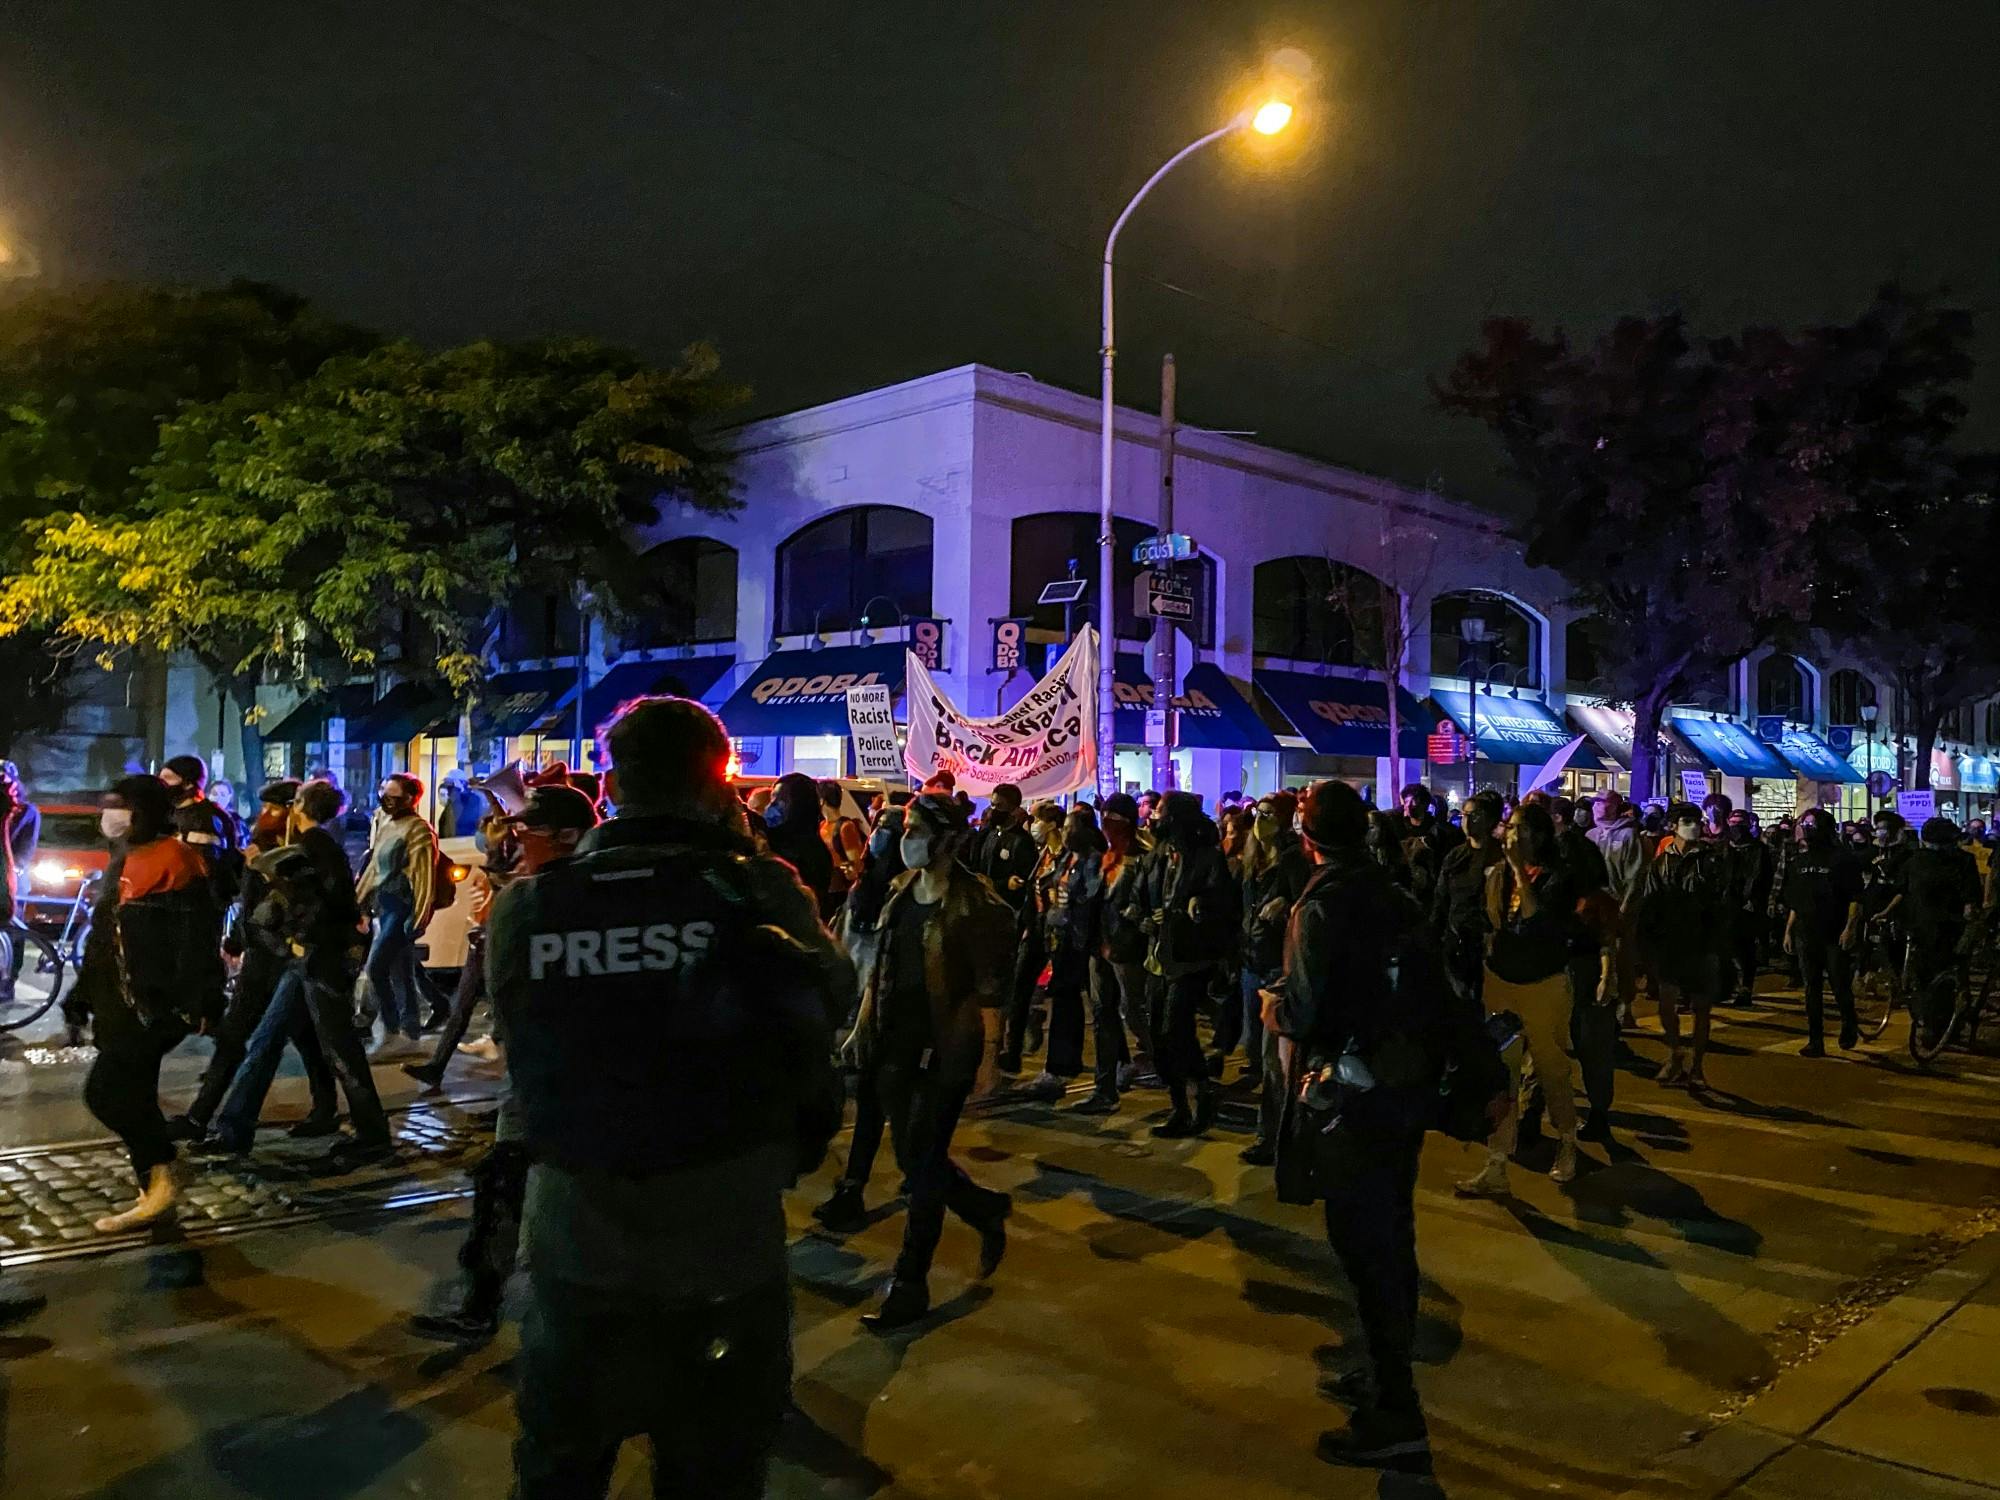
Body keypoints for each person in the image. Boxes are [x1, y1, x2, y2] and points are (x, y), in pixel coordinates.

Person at [493, 696, 851, 1496]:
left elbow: (524, 1051)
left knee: (558, 1471)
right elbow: (833, 1000)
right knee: (714, 1474)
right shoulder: (757, 890)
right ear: (716, 785)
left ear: (612, 786)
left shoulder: (534, 905)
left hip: (576, 1239)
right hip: (722, 1238)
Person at [1264, 779, 1438, 1472]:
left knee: (1363, 1246)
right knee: (1392, 1236)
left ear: (1308, 841)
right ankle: (1383, 1369)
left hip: (1352, 1094)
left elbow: (1305, 1010)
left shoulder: (1323, 906)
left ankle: (1396, 1410)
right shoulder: (1392, 894)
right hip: (1400, 1088)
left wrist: (1274, 1011)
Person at [411, 783, 600, 1343]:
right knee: (507, 1182)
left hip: (557, 1069)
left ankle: (498, 1304)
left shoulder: (545, 897)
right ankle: (486, 1298)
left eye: (528, 832)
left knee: (519, 1184)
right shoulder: (553, 888)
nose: (518, 841)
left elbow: (509, 984)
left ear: (566, 836)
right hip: (553, 1067)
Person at [843, 792, 1014, 1330]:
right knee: (916, 1157)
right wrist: (860, 1026)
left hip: (948, 1046)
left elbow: (991, 992)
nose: (905, 837)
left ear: (946, 839)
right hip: (895, 1041)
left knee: (923, 1165)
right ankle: (984, 1209)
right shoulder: (900, 892)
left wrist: (989, 1056)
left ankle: (910, 1283)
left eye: (916, 828)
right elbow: (881, 967)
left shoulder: (977, 905)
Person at [208, 778, 395, 1164]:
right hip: (307, 960)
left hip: (317, 961)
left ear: (301, 807)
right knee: (267, 1039)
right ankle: (233, 1127)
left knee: (339, 1049)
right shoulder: (318, 846)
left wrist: (300, 932)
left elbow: (334, 903)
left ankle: (373, 1134)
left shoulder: (314, 848)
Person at [73, 775, 225, 1233]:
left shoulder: (177, 860)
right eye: (108, 804)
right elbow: (104, 936)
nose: (111, 814)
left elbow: (197, 939)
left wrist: (200, 998)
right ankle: (155, 1194)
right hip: (116, 1002)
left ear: (146, 810)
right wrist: (80, 995)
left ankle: (164, 1168)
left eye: (121, 805)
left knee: (105, 1093)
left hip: (154, 1006)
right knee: (135, 1095)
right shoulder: (122, 857)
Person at [168, 779, 338, 1144]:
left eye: (274, 808)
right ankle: (201, 1116)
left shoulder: (298, 852)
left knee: (293, 1039)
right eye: (263, 808)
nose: (265, 815)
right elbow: (249, 904)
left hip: (284, 958)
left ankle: (318, 1111)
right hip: (261, 956)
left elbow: (294, 907)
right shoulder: (258, 848)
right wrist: (237, 938)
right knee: (239, 1037)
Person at [1456, 802, 1583, 1195]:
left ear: (1540, 836)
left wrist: (1517, 872)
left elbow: (1536, 920)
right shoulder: (1495, 875)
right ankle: (1496, 1163)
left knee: (1550, 1068)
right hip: (1502, 983)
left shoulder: (1556, 878)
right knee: (1501, 1072)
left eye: (1521, 829)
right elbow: (1492, 922)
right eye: (1509, 827)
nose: (1512, 836)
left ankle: (1567, 1143)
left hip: (1543, 986)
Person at [813, 803, 907, 1232]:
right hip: (862, 1015)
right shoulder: (863, 890)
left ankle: (959, 1195)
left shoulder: (909, 893)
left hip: (896, 1017)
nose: (881, 839)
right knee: (877, 1107)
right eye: (879, 830)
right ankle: (855, 1188)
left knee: (894, 1112)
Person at [1129, 791, 1237, 1137]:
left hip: (1189, 959)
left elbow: (1221, 904)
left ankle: (1200, 1094)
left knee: (1175, 1029)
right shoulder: (1156, 856)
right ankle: (1179, 1105)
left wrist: (1193, 907)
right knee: (1158, 1036)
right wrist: (1142, 917)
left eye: (1159, 813)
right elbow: (1138, 896)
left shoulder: (1207, 858)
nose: (1153, 818)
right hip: (1157, 955)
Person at [1635, 801, 1732, 1089]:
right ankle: (1675, 1053)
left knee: (1701, 1008)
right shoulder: (1661, 862)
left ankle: (1697, 1066)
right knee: (1666, 1005)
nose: (1693, 825)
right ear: (1673, 827)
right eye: (1685, 820)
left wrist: (1718, 942)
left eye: (1695, 820)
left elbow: (1724, 900)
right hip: (1670, 943)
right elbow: (1650, 903)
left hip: (1702, 943)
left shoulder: (1713, 859)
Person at [1236, 790, 1308, 1163]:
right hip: (1251, 961)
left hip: (1276, 967)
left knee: (1272, 1061)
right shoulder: (1252, 858)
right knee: (1253, 1049)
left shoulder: (1293, 860)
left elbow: (1307, 907)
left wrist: (1287, 906)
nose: (1260, 820)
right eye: (1257, 813)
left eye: (1268, 814)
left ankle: (1273, 1139)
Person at [1021, 806, 1106, 1101]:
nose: (1065, 833)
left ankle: (1061, 1067)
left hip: (1078, 943)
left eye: (1070, 828)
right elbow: (1050, 884)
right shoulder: (1067, 858)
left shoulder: (1093, 861)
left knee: (1078, 1004)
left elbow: (1089, 901)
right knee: (1067, 1001)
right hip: (1059, 937)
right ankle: (1067, 1064)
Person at [354, 772, 439, 1058]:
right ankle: (407, 1032)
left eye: (394, 796)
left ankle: (393, 1031)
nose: (387, 800)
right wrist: (359, 902)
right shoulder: (385, 821)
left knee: (377, 967)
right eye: (384, 794)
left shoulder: (418, 830)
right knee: (401, 971)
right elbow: (373, 868)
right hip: (385, 903)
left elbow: (423, 876)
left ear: (410, 799)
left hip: (402, 906)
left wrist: (418, 918)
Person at [1078, 792, 1154, 1111]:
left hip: (1127, 950)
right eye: (1104, 818)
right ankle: (1104, 1089)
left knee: (1133, 1011)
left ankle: (1166, 1062)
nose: (1106, 825)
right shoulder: (1102, 858)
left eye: (1114, 819)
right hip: (1100, 948)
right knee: (1102, 1017)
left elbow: (1148, 904)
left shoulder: (1144, 860)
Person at [1887, 817, 1982, 1047]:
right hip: (1944, 927)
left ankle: (1935, 1025)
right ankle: (1942, 1024)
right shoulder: (1960, 860)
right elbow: (1971, 897)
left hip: (1929, 926)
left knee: (1929, 978)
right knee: (1943, 977)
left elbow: (1901, 890)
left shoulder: (1917, 860)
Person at [1780, 808, 1866, 1054]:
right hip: (1806, 933)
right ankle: (1815, 1040)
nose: (1807, 829)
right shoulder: (1799, 862)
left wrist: (1850, 928)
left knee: (1839, 985)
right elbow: (1796, 901)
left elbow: (1855, 897)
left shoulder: (1843, 859)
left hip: (1834, 930)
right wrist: (1789, 930)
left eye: (1812, 825)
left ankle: (1849, 1023)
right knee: (1811, 988)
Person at [997, 801, 1065, 1073]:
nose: (1032, 825)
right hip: (1036, 929)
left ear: (1050, 825)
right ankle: (1012, 1052)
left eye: (1036, 819)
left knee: (1061, 997)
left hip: (1057, 933)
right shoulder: (1043, 854)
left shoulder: (1066, 857)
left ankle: (1057, 1065)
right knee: (1019, 989)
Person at [1589, 790, 1651, 1030]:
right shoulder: (1591, 835)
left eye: (1603, 802)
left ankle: (1624, 1006)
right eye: (1595, 802)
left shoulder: (1627, 836)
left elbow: (1634, 876)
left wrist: (1625, 907)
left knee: (1621, 957)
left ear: (1615, 806)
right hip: (1595, 909)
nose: (1597, 806)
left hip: (1619, 908)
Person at [158, 752, 243, 900]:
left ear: (188, 783)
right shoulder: (166, 812)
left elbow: (209, 866)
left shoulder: (208, 818)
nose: (162, 784)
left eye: (168, 778)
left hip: (199, 901)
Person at [1719, 808, 1773, 1006]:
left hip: (1748, 906)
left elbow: (1763, 878)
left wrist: (1755, 900)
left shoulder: (1759, 850)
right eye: (1733, 824)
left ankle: (1746, 989)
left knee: (1745, 950)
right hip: (1726, 905)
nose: (1736, 829)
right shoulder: (1724, 848)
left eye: (1740, 825)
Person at [763, 771, 833, 911]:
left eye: (779, 801)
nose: (771, 807)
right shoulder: (771, 840)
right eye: (772, 800)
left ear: (798, 806)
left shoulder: (812, 854)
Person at [818, 779, 867, 921]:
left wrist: (843, 869)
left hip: (838, 892)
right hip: (825, 890)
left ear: (821, 800)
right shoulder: (822, 825)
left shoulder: (846, 827)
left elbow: (856, 864)